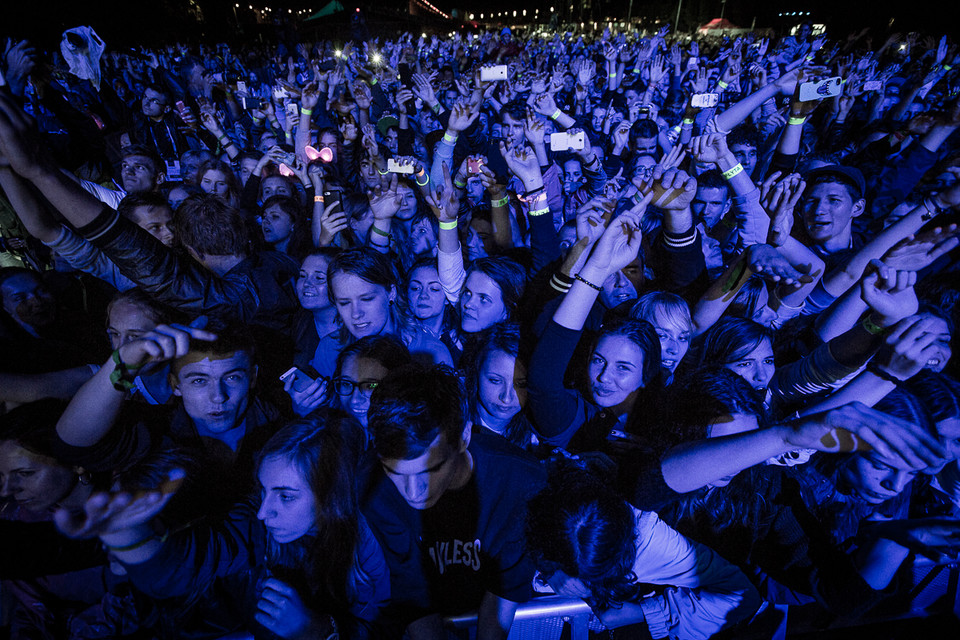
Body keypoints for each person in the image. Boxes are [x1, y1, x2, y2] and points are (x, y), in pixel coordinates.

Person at [54, 415, 391, 639]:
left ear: (329, 496)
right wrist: (125, 532)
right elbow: (183, 566)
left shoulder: (369, 544)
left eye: (286, 496)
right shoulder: (253, 522)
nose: (264, 512)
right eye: (264, 490)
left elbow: (387, 628)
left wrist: (322, 629)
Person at [361, 363, 546, 640]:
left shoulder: (521, 483)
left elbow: (504, 589)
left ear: (464, 437)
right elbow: (412, 588)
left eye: (431, 469)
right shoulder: (372, 486)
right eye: (395, 473)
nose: (413, 492)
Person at [526, 463, 762, 638]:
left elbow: (742, 596)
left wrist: (644, 612)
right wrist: (550, 569)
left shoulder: (649, 540)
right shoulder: (531, 490)